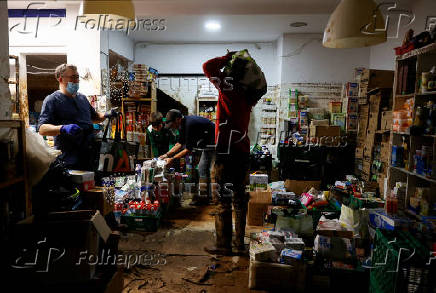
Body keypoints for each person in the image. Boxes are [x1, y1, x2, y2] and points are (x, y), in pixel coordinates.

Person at [202, 51, 256, 255]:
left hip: (225, 152)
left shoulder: (228, 87)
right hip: (242, 151)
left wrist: (227, 57)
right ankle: (239, 245)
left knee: (223, 199)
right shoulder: (249, 94)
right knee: (240, 200)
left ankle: (223, 245)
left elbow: (207, 66)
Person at [37, 64, 116, 170]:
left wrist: (106, 115)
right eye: (73, 77)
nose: (76, 80)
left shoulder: (82, 98)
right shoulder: (52, 100)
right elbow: (42, 129)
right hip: (69, 159)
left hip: (89, 156)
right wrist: (63, 128)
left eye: (77, 77)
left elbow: (95, 118)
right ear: (60, 79)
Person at [159, 109, 215, 204]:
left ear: (177, 119)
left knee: (212, 171)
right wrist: (166, 155)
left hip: (215, 143)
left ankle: (215, 200)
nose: (172, 127)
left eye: (172, 125)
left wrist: (172, 159)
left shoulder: (189, 124)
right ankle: (204, 197)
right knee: (202, 169)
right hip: (207, 144)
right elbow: (179, 143)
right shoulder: (182, 125)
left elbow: (187, 149)